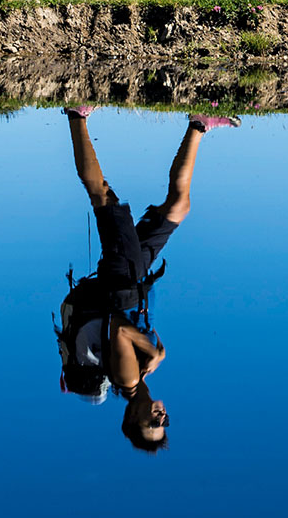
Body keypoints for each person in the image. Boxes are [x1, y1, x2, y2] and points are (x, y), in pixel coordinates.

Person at [53, 105, 238, 452]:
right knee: (177, 207)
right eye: (164, 423)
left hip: (120, 279)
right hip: (133, 279)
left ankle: (76, 114)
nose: (161, 418)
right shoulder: (142, 375)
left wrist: (155, 352)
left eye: (152, 424)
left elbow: (120, 330)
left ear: (131, 417)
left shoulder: (128, 379)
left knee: (103, 197)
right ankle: (199, 124)